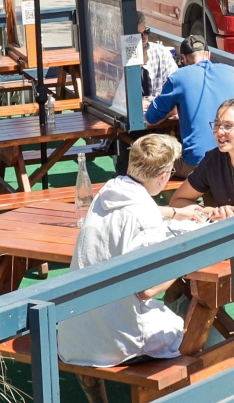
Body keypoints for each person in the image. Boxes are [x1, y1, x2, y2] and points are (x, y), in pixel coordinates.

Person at [57, 135, 206, 366]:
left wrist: (175, 213)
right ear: (164, 176)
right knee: (196, 327)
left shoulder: (108, 192)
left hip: (76, 335)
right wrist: (186, 253)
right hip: (117, 343)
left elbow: (135, 208)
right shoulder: (146, 217)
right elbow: (148, 289)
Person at [142, 38, 234, 172]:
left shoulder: (178, 77)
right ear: (208, 55)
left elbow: (151, 117)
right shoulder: (233, 72)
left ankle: (177, 193)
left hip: (197, 165)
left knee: (156, 164)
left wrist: (173, 108)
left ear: (184, 58)